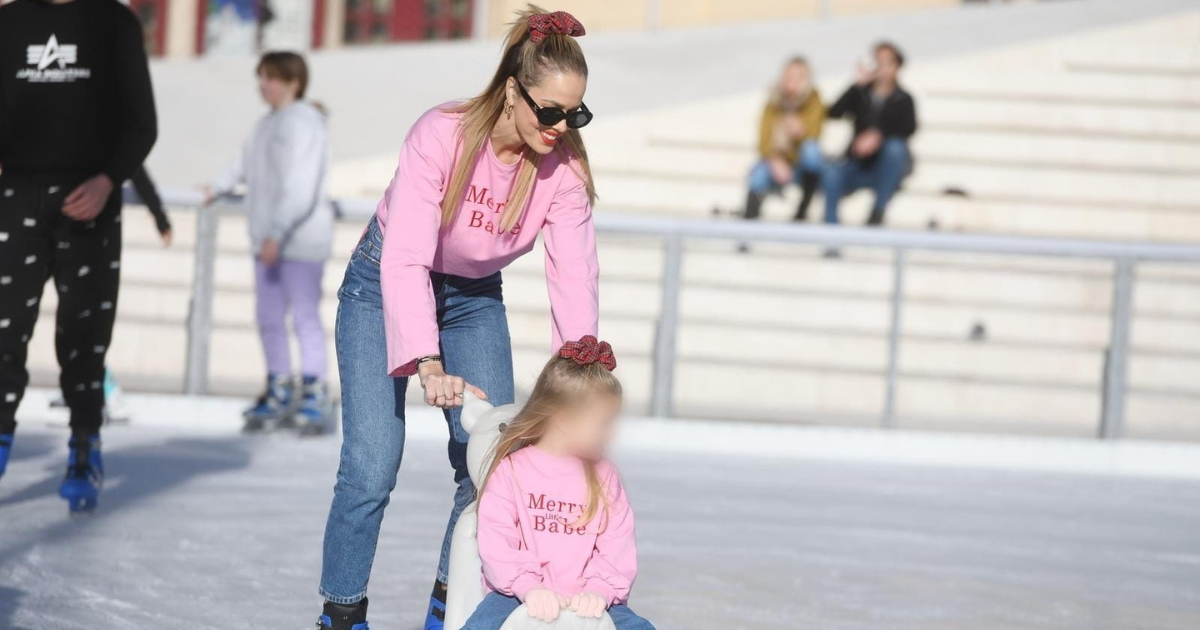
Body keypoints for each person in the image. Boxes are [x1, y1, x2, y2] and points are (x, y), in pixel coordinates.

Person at [315, 7, 599, 630]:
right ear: (510, 92)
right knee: (372, 464)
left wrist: (577, 377)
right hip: (380, 283)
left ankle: (447, 611)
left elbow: (573, 279)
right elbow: (406, 257)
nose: (560, 127)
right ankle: (341, 614)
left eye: (573, 113)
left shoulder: (564, 170)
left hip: (473, 298)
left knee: (485, 463)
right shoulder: (441, 134)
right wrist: (426, 359)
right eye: (548, 111)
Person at [0, 0, 157, 513]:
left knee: (84, 335)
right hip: (15, 198)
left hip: (90, 204)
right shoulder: (10, 20)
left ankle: (84, 445)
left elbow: (141, 124)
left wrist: (107, 178)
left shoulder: (112, 21)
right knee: (3, 331)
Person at [461, 336, 653, 630]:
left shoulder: (605, 474)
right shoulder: (512, 471)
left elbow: (617, 544)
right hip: (514, 595)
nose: (612, 433)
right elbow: (497, 541)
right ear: (565, 420)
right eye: (603, 422)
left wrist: (599, 590)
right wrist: (528, 586)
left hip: (589, 597)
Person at [205, 51, 335, 433]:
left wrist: (277, 232)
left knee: (304, 316)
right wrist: (215, 188)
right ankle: (279, 385)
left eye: (272, 78)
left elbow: (301, 185)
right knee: (268, 317)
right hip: (268, 242)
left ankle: (314, 389)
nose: (264, 85)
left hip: (299, 240)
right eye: (261, 77)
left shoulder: (305, 123)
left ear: (294, 81)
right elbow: (242, 166)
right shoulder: (265, 125)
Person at [822, 41, 918, 227]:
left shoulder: (904, 99)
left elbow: (909, 128)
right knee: (831, 171)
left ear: (895, 67)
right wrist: (857, 85)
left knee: (895, 148)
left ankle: (878, 211)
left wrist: (878, 137)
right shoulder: (860, 92)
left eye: (884, 61)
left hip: (884, 168)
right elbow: (834, 112)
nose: (879, 65)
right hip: (858, 164)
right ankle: (831, 234)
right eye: (876, 60)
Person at [744, 57, 826, 222]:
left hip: (800, 165)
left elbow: (814, 133)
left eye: (799, 77)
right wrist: (775, 160)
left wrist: (799, 132)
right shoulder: (773, 102)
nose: (793, 82)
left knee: (812, 151)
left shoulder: (813, 101)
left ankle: (802, 210)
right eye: (790, 76)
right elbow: (763, 139)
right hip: (776, 162)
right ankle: (747, 228)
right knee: (758, 175)